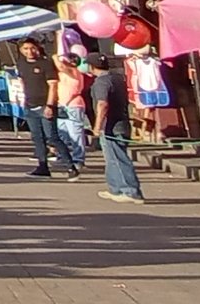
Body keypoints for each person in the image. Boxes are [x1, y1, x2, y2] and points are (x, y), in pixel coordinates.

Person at [89, 52, 146, 204]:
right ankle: (116, 188)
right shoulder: (117, 79)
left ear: (91, 66)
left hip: (112, 126)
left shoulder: (101, 82)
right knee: (112, 159)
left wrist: (97, 126)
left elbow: (102, 104)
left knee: (118, 158)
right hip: (122, 123)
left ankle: (130, 190)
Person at [14, 39, 69, 178]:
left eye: (32, 48)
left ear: (37, 48)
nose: (29, 51)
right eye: (25, 48)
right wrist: (21, 98)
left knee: (52, 137)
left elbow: (53, 85)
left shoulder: (45, 64)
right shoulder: (21, 64)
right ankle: (42, 166)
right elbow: (21, 81)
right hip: (29, 105)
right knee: (37, 137)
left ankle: (70, 166)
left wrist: (50, 105)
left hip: (45, 105)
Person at [54, 49, 91, 178]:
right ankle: (62, 155)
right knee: (62, 132)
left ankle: (78, 159)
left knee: (75, 133)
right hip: (62, 104)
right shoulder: (63, 73)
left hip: (73, 105)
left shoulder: (74, 72)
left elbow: (60, 65)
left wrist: (55, 55)